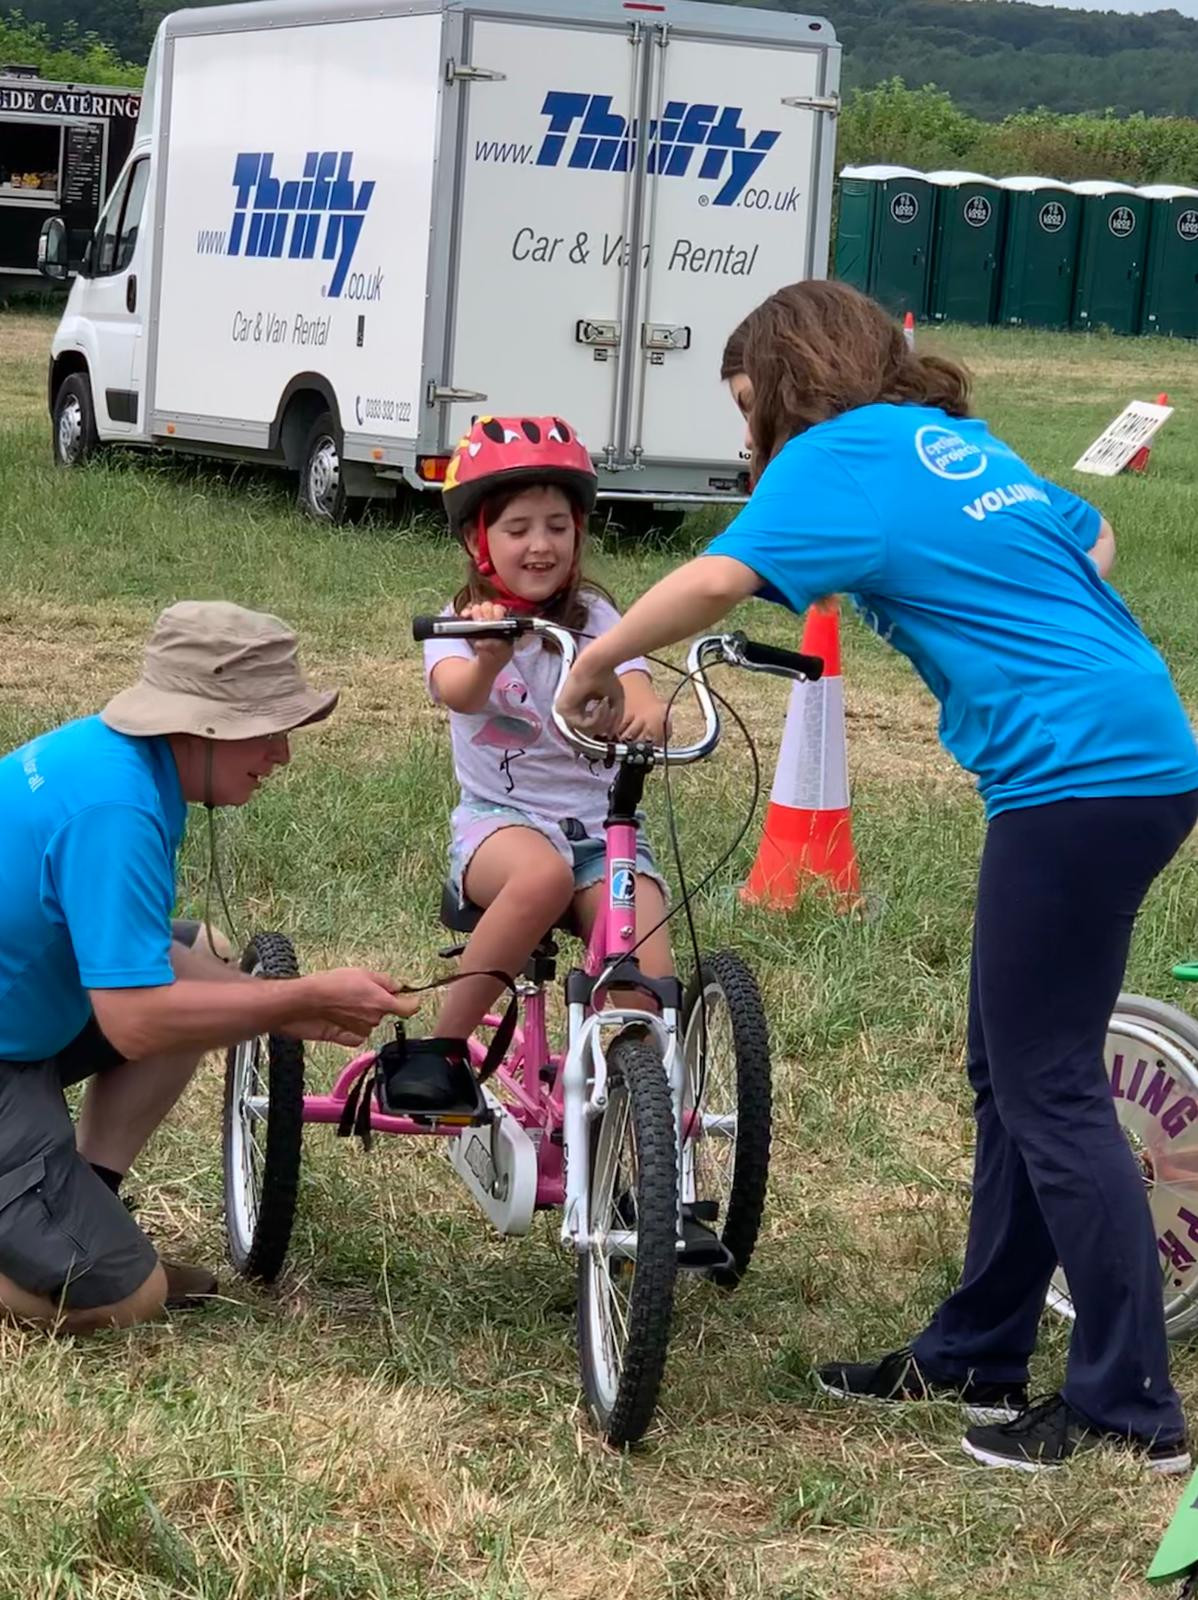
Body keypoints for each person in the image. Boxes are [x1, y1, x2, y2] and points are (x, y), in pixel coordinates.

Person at [557, 280, 1198, 1474]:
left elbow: (713, 580)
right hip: (1139, 754)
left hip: (1074, 778)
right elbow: (1090, 533)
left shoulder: (833, 453)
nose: (752, 442)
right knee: (1008, 1069)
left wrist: (597, 662)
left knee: (1049, 1083)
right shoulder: (954, 443)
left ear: (787, 387)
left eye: (750, 411)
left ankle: (1127, 1407)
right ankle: (979, 1346)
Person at [0, 600, 418, 1333]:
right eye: (270, 730)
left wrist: (280, 1000)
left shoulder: (116, 764)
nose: (282, 754)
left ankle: (88, 1197)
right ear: (202, 726)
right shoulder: (116, 810)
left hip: (23, 1024)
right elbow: (133, 1020)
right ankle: (73, 1256)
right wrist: (295, 999)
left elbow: (140, 954)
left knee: (208, 954)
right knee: (132, 1297)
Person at [380, 415, 672, 1115]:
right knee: (539, 876)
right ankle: (443, 1051)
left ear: (578, 535)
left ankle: (629, 1132)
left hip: (601, 836)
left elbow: (636, 685)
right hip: (499, 825)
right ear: (478, 541)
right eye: (517, 529)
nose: (539, 545)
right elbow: (459, 694)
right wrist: (488, 656)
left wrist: (644, 712)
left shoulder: (598, 618)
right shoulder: (462, 624)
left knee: (647, 971)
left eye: (556, 527)